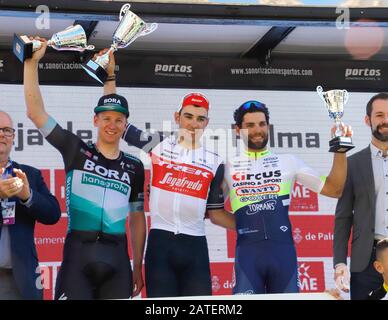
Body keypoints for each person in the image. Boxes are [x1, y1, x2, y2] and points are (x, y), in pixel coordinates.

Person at [102, 50, 235, 298]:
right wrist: (110, 76)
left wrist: (255, 228)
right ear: (177, 117)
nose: (193, 123)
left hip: (195, 246)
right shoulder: (158, 145)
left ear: (207, 122)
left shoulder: (216, 162)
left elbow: (215, 212)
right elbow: (116, 116)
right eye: (188, 116)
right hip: (160, 245)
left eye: (200, 119)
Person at [23, 38, 146, 300]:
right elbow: (35, 113)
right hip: (78, 255)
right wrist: (31, 63)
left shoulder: (134, 166)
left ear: (125, 125)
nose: (112, 125)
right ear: (95, 120)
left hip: (118, 259)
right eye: (106, 119)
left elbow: (137, 219)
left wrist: (138, 265)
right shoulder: (75, 149)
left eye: (118, 120)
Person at [224, 100, 352, 295]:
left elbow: (334, 189)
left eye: (262, 124)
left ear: (268, 126)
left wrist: (340, 149)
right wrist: (244, 224)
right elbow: (211, 211)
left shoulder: (288, 162)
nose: (257, 130)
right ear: (237, 130)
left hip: (283, 255)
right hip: (247, 257)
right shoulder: (227, 167)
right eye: (250, 125)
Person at [0, 110, 61, 300]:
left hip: (22, 278)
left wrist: (28, 196)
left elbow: (53, 214)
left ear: (13, 138)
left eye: (7, 130)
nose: (2, 134)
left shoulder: (29, 175)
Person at [334, 93, 388, 300]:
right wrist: (340, 263)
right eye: (380, 115)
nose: (385, 121)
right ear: (368, 120)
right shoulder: (352, 164)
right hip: (366, 260)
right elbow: (343, 217)